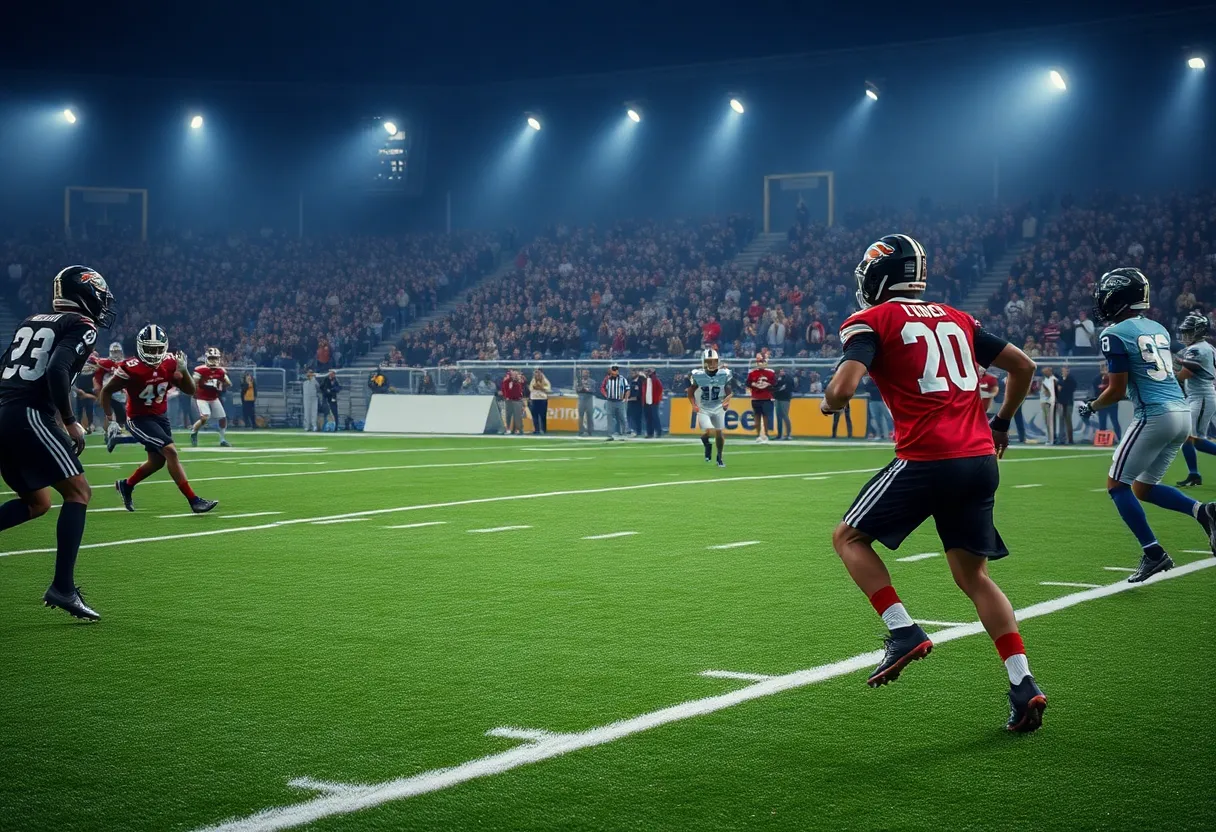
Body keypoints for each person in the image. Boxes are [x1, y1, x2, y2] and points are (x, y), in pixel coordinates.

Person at [823, 234, 1045, 732]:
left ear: (877, 276)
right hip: (981, 458)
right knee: (975, 577)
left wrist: (829, 403)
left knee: (848, 537)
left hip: (928, 457)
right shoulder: (959, 319)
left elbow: (842, 388)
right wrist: (1003, 422)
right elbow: (1023, 366)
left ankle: (902, 630)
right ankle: (1022, 682)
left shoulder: (871, 320)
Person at [1077, 268, 1216, 583]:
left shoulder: (1113, 334)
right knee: (1143, 487)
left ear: (1116, 297)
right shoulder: (1159, 328)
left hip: (1154, 414)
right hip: (1181, 412)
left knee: (1117, 486)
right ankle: (1202, 512)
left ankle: (1153, 553)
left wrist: (1091, 405)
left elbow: (1115, 389)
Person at [0, 265, 113, 620]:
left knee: (37, 503)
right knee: (79, 492)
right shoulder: (82, 325)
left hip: (6, 411)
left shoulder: (32, 319)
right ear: (86, 292)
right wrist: (69, 421)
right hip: (31, 413)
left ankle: (63, 587)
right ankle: (63, 587)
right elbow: (56, 370)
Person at [102, 324, 218, 515]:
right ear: (141, 347)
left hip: (160, 417)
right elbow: (106, 392)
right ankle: (194, 501)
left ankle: (126, 485)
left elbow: (190, 391)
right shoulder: (130, 368)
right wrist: (111, 419)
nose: (155, 353)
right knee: (171, 452)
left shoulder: (171, 362)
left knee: (157, 462)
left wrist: (185, 371)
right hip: (139, 418)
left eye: (158, 348)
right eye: (150, 349)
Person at [1174, 312, 1216, 486]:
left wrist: (1171, 376)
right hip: (1201, 395)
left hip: (1201, 396)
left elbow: (1187, 373)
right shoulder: (1207, 347)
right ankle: (1194, 474)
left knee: (1188, 436)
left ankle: (1194, 474)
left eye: (1189, 331)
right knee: (1195, 440)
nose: (1186, 335)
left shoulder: (1196, 349)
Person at [687, 348, 732, 467]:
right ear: (704, 362)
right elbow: (690, 392)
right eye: (709, 361)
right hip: (704, 407)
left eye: (714, 361)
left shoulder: (724, 374)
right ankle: (707, 443)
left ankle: (719, 457)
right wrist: (693, 405)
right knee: (709, 431)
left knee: (719, 432)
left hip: (718, 405)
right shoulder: (698, 375)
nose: (712, 364)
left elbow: (728, 390)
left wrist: (727, 401)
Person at [190, 347, 232, 447]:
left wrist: (220, 385)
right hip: (202, 397)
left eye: (215, 358)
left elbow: (229, 383)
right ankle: (194, 431)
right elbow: (193, 383)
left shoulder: (221, 371)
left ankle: (222, 440)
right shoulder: (200, 370)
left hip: (213, 398)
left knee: (222, 418)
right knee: (205, 417)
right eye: (212, 358)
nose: (214, 360)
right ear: (207, 358)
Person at [746, 355, 776, 443]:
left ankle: (766, 434)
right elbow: (747, 383)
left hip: (766, 397)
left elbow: (774, 383)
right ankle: (758, 434)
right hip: (756, 398)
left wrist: (768, 385)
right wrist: (753, 384)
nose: (761, 364)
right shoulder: (752, 373)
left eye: (762, 362)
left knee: (766, 416)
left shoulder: (770, 373)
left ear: (765, 363)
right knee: (757, 417)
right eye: (759, 362)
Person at [600, 364, 629, 440]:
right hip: (610, 401)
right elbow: (602, 388)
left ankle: (624, 434)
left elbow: (627, 389)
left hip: (620, 401)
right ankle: (610, 434)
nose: (613, 372)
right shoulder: (607, 379)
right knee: (609, 418)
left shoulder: (623, 379)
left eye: (615, 370)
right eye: (612, 370)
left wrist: (625, 399)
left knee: (622, 417)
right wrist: (606, 395)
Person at [640, 367, 664, 438]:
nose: (646, 372)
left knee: (655, 417)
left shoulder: (655, 379)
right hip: (646, 401)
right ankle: (650, 433)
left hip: (654, 401)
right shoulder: (645, 380)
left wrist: (657, 399)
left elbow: (660, 389)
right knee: (648, 418)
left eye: (648, 371)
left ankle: (658, 432)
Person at [1057, 365, 1077, 445]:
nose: (1064, 372)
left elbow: (1071, 389)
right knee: (1061, 420)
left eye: (1066, 370)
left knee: (1068, 421)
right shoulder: (1060, 379)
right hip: (1061, 402)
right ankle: (1062, 439)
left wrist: (1062, 387)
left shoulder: (1071, 379)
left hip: (1068, 402)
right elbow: (1058, 389)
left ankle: (1070, 439)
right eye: (1063, 370)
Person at [772, 368, 795, 440]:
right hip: (778, 398)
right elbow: (776, 387)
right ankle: (779, 435)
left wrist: (777, 390)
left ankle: (788, 434)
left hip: (785, 399)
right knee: (779, 416)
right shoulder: (779, 378)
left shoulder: (788, 378)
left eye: (781, 371)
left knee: (785, 415)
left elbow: (786, 388)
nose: (780, 373)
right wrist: (778, 389)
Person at [500, 369, 525, 434]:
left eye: (516, 374)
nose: (515, 375)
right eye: (514, 374)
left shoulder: (519, 381)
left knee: (518, 416)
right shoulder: (507, 381)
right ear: (511, 375)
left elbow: (521, 389)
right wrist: (507, 397)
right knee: (508, 415)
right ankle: (508, 428)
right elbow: (505, 390)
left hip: (518, 400)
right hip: (509, 400)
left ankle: (518, 429)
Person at [1039, 366, 1057, 445]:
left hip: (1048, 402)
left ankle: (1051, 439)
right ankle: (1048, 438)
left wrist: (1049, 399)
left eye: (1046, 371)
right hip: (1043, 401)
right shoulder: (1045, 379)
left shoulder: (1052, 379)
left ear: (1050, 371)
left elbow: (1049, 392)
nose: (1044, 373)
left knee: (1049, 422)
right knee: (1046, 421)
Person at [529, 368, 551, 434]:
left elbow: (548, 389)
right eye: (536, 372)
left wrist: (542, 388)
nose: (537, 373)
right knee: (534, 415)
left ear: (541, 372)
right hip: (534, 399)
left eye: (538, 372)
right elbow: (531, 389)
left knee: (543, 415)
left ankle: (543, 429)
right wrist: (536, 387)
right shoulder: (533, 380)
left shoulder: (545, 380)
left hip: (542, 399)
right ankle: (536, 429)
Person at [576, 369, 595, 437]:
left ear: (589, 374)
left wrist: (587, 390)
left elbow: (593, 390)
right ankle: (581, 431)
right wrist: (581, 389)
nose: (585, 374)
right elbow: (577, 390)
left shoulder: (592, 382)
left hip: (589, 400)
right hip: (581, 400)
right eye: (584, 373)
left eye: (586, 373)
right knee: (580, 416)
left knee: (589, 415)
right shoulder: (579, 381)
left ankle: (590, 431)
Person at [627, 369, 644, 437]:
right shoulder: (630, 381)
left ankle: (638, 431)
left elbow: (639, 394)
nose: (631, 374)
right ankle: (632, 430)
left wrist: (630, 398)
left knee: (637, 417)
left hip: (637, 403)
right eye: (631, 373)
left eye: (633, 373)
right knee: (629, 416)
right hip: (630, 402)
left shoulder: (640, 381)